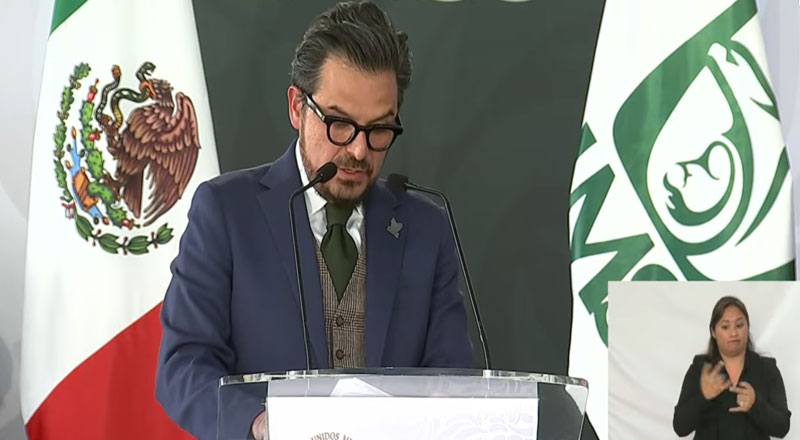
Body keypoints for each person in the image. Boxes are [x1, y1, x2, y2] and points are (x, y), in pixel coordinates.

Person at [154, 2, 474, 439]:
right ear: (296, 108)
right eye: (340, 124)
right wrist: (261, 425)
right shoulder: (225, 213)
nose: (358, 151)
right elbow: (183, 365)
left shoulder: (426, 229)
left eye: (379, 129)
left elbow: (454, 380)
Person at [672, 296, 791, 439]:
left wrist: (756, 404)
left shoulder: (767, 369)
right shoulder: (700, 369)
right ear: (713, 332)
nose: (733, 333)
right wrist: (703, 396)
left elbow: (782, 428)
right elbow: (680, 427)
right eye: (725, 327)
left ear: (747, 327)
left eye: (739, 325)